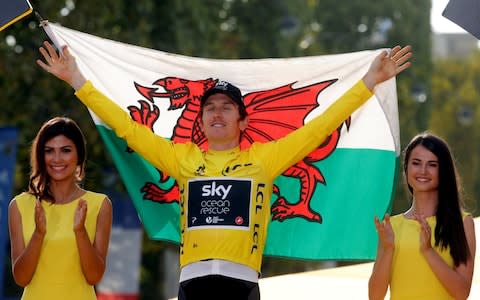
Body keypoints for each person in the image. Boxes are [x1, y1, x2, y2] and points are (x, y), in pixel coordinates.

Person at [36, 41, 412, 300]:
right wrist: (77, 81)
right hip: (191, 284)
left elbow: (319, 126)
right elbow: (127, 127)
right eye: (210, 107)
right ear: (200, 120)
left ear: (243, 121)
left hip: (242, 284)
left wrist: (368, 82)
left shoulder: (265, 159)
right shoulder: (182, 158)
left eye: (226, 107)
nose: (217, 112)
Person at [8, 117, 112, 300]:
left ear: (78, 155)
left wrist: (80, 231)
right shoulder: (19, 205)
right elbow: (21, 278)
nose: (57, 159)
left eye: (65, 150)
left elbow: (94, 276)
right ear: (41, 155)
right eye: (49, 151)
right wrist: (38, 234)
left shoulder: (99, 205)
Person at [368, 132, 476, 299]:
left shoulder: (463, 223)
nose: (423, 171)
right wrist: (389, 248)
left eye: (432, 164)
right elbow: (375, 296)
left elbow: (462, 293)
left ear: (444, 171)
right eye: (416, 163)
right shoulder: (391, 227)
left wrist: (428, 251)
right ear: (406, 168)